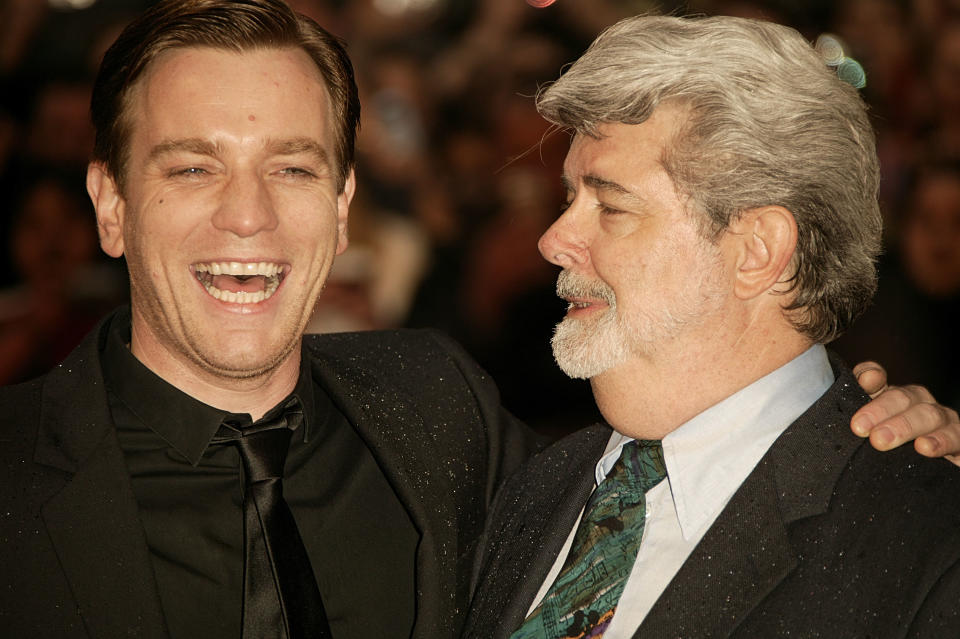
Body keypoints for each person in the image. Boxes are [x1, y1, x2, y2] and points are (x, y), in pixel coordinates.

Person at [0, 2, 953, 638]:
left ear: (342, 208)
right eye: (191, 167)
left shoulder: (438, 416)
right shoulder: (545, 478)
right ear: (110, 205)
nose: (247, 215)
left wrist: (888, 438)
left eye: (292, 167)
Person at [464, 15, 960, 639]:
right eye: (569, 199)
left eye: (610, 206)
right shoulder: (533, 492)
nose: (554, 239)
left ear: (757, 250)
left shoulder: (925, 545)